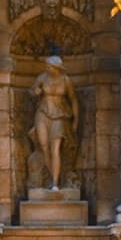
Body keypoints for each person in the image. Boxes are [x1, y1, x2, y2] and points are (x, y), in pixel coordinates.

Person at [30, 54, 79, 189]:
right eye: (46, 66)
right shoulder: (42, 78)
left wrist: (76, 119)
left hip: (60, 116)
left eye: (49, 67)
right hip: (42, 114)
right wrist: (35, 92)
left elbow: (73, 99)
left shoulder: (66, 80)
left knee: (55, 149)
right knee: (44, 147)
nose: (47, 68)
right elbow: (32, 91)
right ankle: (53, 179)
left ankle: (56, 183)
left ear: (57, 68)